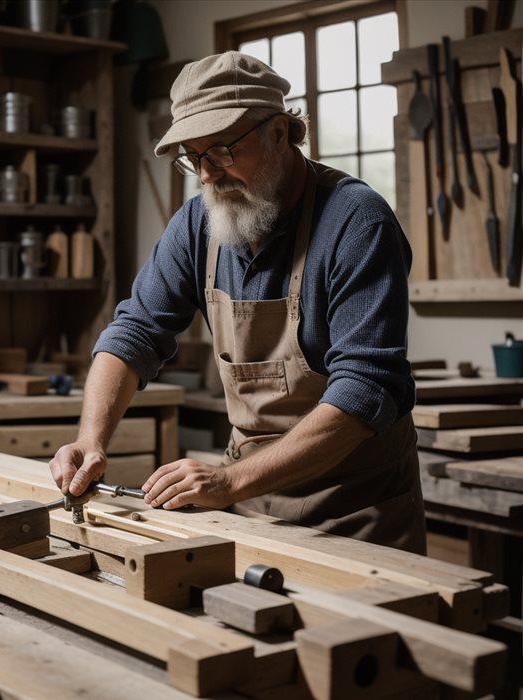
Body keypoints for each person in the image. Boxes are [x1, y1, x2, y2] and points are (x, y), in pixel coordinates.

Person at [49, 51, 426, 554]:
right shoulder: (196, 224)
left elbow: (367, 388)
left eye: (221, 151)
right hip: (250, 507)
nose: (206, 175)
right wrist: (91, 440)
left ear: (278, 133)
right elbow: (135, 331)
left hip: (356, 509)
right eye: (193, 157)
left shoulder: (358, 222)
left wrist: (229, 481)